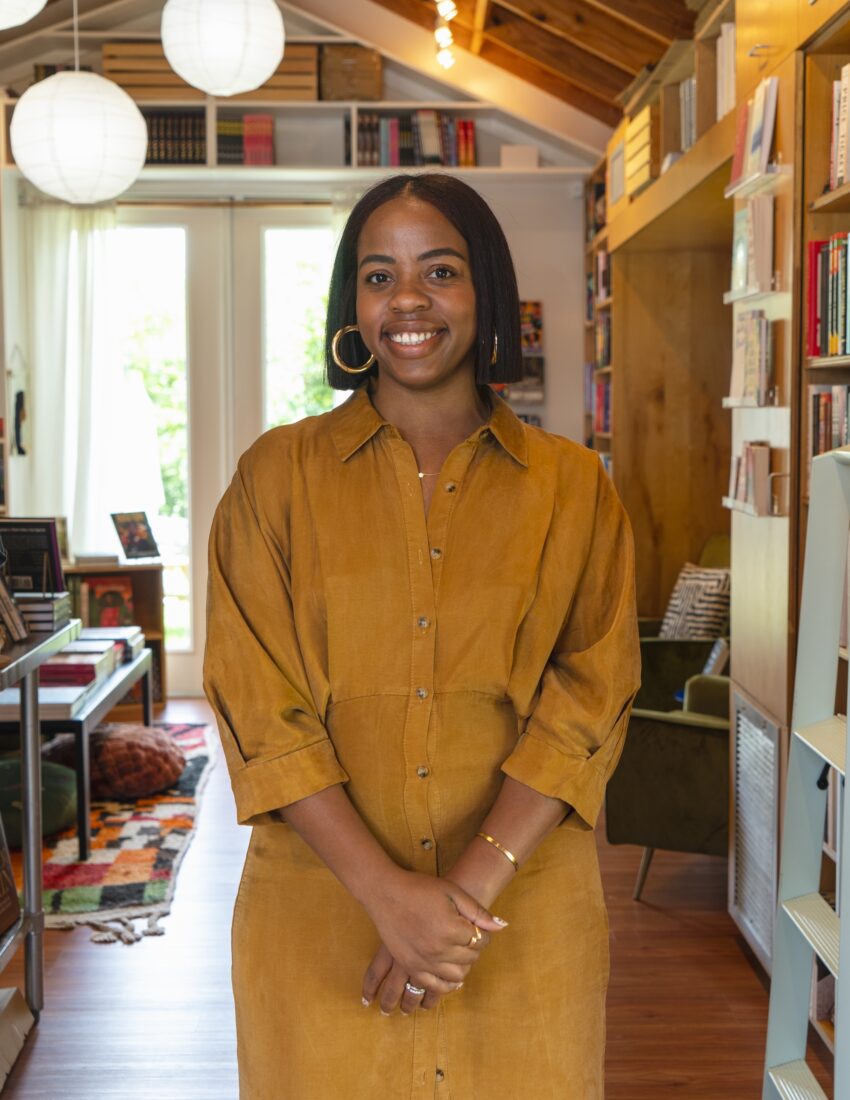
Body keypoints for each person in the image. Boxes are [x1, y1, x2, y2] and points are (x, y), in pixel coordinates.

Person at [204, 173, 640, 1099]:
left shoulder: (575, 488)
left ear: (485, 291)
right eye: (377, 275)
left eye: (438, 270)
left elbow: (589, 700)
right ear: (350, 305)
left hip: (524, 922)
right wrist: (389, 896)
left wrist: (463, 899)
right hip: (320, 921)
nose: (406, 299)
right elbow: (261, 710)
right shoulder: (273, 479)